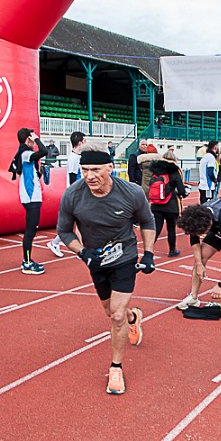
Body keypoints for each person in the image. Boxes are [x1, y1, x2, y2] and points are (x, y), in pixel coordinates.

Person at [57, 144, 156, 395]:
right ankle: (134, 318)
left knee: (117, 315)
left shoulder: (131, 192)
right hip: (96, 260)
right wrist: (82, 252)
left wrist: (149, 253)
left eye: (96, 170)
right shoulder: (72, 194)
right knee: (110, 311)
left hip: (124, 257)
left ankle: (116, 368)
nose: (89, 176)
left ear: (110, 168)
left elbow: (147, 220)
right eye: (85, 170)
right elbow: (64, 231)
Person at [13, 127, 49, 274]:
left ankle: (27, 260)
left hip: (33, 197)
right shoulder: (25, 154)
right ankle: (26, 262)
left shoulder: (26, 155)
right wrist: (36, 138)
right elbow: (44, 151)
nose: (34, 143)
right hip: (30, 198)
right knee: (30, 232)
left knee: (31, 231)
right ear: (28, 140)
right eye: (32, 140)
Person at [47, 131, 87, 258]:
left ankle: (56, 243)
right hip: (75, 194)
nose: (86, 143)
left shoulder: (78, 157)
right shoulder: (74, 158)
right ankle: (80, 249)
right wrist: (77, 194)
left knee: (77, 222)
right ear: (80, 143)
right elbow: (72, 177)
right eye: (84, 141)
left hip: (79, 193)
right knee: (79, 222)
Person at [149, 148, 187, 257]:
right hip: (171, 205)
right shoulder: (174, 171)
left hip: (156, 204)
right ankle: (172, 250)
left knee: (156, 228)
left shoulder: (156, 171)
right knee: (171, 228)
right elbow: (181, 190)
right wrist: (182, 194)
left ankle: (149, 250)